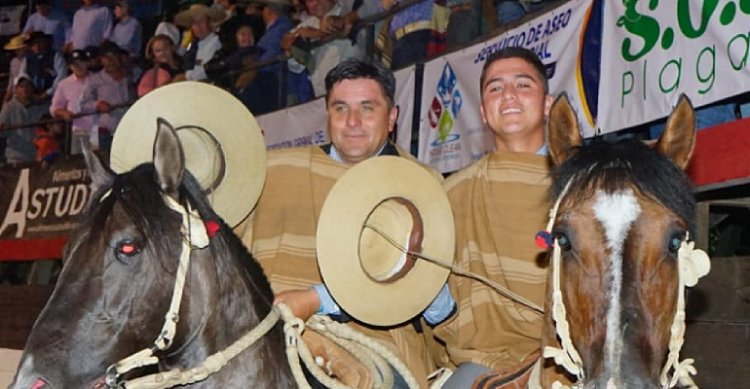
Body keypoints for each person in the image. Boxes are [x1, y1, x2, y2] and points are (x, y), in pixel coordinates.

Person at [234, 58, 454, 387]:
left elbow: (438, 304)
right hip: (266, 332)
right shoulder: (281, 170)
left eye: (367, 108)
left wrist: (315, 300)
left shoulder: (423, 185)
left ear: (392, 117)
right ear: (328, 116)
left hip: (377, 345)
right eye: (340, 108)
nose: (352, 122)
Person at [431, 46, 554, 388]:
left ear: (547, 103)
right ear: (484, 112)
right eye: (495, 88)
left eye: (523, 84)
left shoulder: (584, 183)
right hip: (482, 359)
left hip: (573, 355)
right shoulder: (452, 192)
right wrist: (442, 311)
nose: (509, 95)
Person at [80, 45, 134, 151]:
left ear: (120, 57)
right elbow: (84, 105)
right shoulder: (95, 79)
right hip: (106, 131)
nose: (110, 61)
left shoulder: (132, 75)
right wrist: (98, 104)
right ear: (101, 60)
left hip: (129, 128)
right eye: (106, 58)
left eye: (113, 56)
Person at [50, 49, 95, 154]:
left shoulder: (98, 79)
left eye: (81, 62)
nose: (78, 66)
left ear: (87, 62)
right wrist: (63, 113)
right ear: (70, 66)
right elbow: (54, 108)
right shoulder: (64, 84)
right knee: (78, 163)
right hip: (77, 130)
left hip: (96, 129)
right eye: (75, 64)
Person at [0, 76, 48, 164]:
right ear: (16, 89)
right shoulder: (8, 108)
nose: (25, 89)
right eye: (21, 86)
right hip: (16, 157)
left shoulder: (40, 106)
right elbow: (2, 132)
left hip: (37, 157)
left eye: (28, 86)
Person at [176, 3, 225, 82]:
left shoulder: (216, 41)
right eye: (194, 23)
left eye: (201, 21)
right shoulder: (193, 46)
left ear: (209, 22)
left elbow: (206, 71)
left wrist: (187, 77)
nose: (198, 26)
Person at [18, 32, 67, 101]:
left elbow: (62, 77)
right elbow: (22, 74)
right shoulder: (27, 58)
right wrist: (29, 91)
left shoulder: (56, 56)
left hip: (53, 95)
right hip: (33, 95)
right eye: (33, 44)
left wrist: (47, 93)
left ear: (45, 42)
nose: (37, 46)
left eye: (39, 43)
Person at [3, 34, 27, 103]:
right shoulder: (13, 62)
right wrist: (7, 95)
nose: (17, 51)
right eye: (16, 49)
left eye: (19, 49)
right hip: (14, 93)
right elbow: (11, 80)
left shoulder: (30, 61)